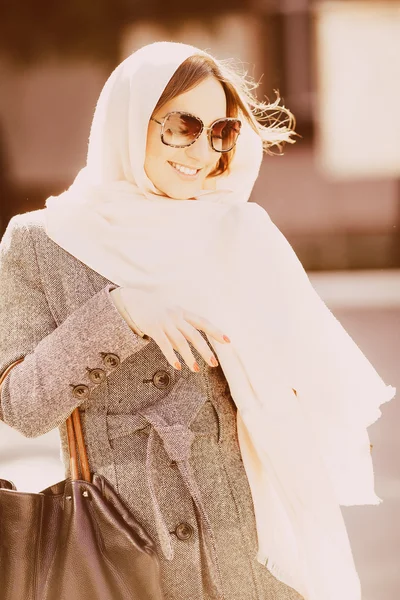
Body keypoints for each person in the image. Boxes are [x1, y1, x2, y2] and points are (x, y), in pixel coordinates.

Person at [0, 41, 395, 600]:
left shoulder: (238, 232)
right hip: (123, 551)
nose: (202, 150)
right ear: (129, 122)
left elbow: (307, 383)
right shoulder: (41, 241)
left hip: (257, 551)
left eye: (221, 131)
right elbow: (20, 406)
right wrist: (122, 313)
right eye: (182, 126)